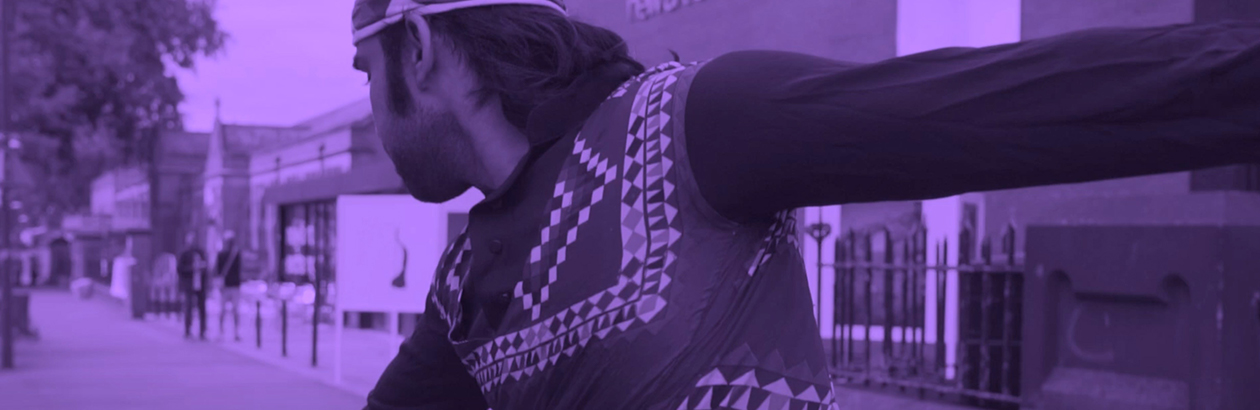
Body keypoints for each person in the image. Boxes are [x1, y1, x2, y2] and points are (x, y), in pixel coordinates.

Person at [350, 1, 1260, 408]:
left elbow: (998, 101)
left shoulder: (688, 127)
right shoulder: (463, 286)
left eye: (366, 73)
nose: (370, 113)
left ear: (418, 47)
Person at [177, 232, 210, 340]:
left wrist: (202, 268)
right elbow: (180, 269)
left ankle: (202, 331)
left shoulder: (200, 252)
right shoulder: (185, 254)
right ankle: (187, 330)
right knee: (189, 307)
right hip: (189, 284)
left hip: (200, 284)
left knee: (202, 308)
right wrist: (192, 268)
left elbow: (206, 267)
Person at [214, 230, 243, 342]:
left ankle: (235, 332)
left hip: (234, 285)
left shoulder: (236, 254)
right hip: (226, 286)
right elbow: (217, 271)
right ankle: (221, 331)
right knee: (223, 310)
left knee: (234, 310)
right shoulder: (221, 254)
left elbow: (239, 270)